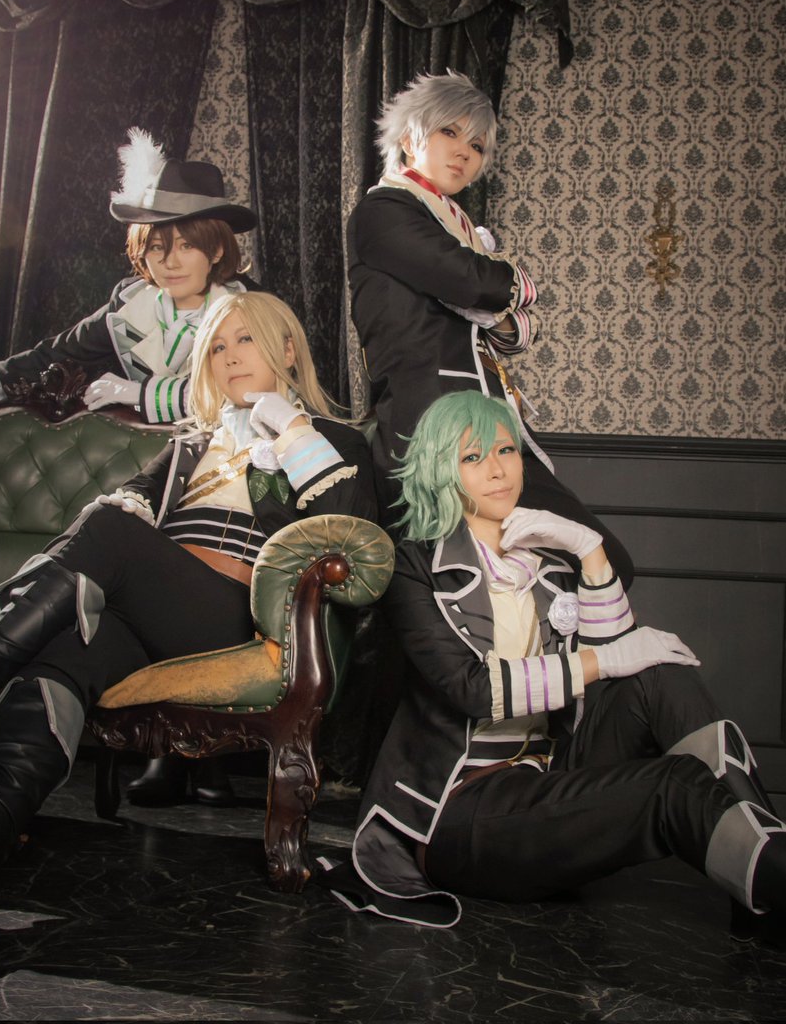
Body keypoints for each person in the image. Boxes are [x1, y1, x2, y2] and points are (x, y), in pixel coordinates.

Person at [0, 292, 377, 939]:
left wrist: (290, 430)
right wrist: (133, 506)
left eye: (246, 340)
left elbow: (351, 535)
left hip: (233, 620)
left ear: (287, 350)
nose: (230, 357)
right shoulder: (191, 443)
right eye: (216, 347)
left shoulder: (335, 441)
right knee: (62, 653)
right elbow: (128, 503)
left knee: (108, 530)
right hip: (151, 613)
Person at [323, 390, 786, 929]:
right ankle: (771, 882)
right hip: (462, 809)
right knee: (673, 784)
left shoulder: (547, 562)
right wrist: (604, 661)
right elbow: (472, 688)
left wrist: (589, 549)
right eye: (472, 457)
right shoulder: (412, 566)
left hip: (549, 775)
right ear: (440, 470)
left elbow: (623, 661)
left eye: (506, 450)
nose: (497, 470)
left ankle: (766, 885)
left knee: (661, 675)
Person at [346, 71, 632, 584]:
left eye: (476, 145)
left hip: (488, 423)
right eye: (448, 132)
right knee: (450, 583)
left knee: (593, 564)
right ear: (410, 137)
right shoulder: (383, 211)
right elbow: (473, 281)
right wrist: (504, 284)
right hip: (430, 427)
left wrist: (493, 299)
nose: (464, 152)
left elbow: (505, 326)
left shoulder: (453, 225)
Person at [0, 128, 259, 426]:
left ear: (216, 250)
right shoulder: (130, 304)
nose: (170, 262)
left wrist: (139, 393)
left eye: (186, 246)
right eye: (156, 247)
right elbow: (44, 359)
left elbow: (251, 391)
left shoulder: (252, 306)